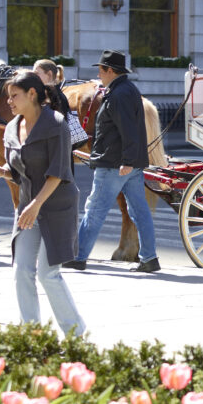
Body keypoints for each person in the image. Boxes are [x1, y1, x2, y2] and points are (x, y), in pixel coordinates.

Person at [0, 70, 86, 337]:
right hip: (28, 206)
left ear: (32, 94)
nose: (9, 102)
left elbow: (59, 172)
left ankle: (75, 333)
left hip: (56, 205)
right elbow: (19, 171)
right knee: (21, 271)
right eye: (9, 96)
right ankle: (31, 333)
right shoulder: (12, 127)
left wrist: (35, 205)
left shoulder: (56, 124)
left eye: (14, 96)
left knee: (48, 275)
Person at [63, 50, 159, 273]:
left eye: (101, 70)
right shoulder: (127, 90)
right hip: (127, 164)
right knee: (139, 211)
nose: (98, 74)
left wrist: (126, 160)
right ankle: (149, 258)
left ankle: (78, 256)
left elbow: (128, 131)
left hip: (114, 164)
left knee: (95, 210)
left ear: (110, 70)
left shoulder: (118, 94)